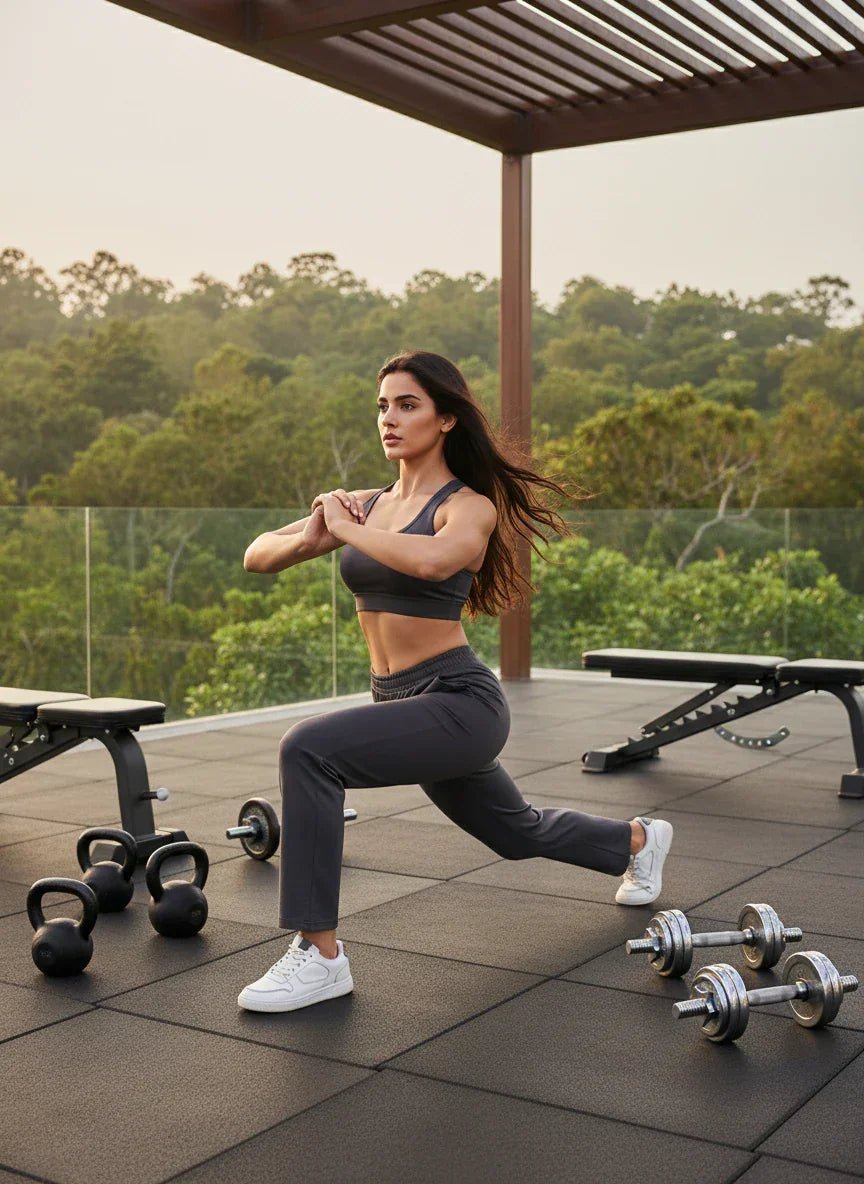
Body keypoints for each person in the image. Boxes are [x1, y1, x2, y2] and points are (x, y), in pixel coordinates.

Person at [238, 351, 673, 1013]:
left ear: (445, 418)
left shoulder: (468, 508)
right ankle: (637, 840)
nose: (389, 419)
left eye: (407, 404)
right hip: (398, 701)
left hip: (458, 703)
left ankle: (320, 957)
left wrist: (350, 528)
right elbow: (256, 554)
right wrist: (316, 534)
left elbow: (437, 561)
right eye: (383, 405)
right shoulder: (369, 505)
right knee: (515, 833)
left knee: (308, 749)